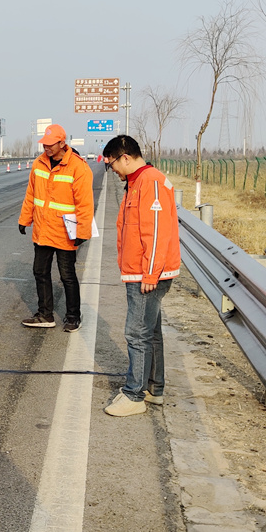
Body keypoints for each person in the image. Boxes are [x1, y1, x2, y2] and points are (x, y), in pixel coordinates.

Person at [102, 135, 180, 416]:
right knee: (151, 333)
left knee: (136, 333)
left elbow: (156, 231)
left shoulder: (151, 182)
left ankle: (134, 395)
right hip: (141, 271)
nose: (111, 170)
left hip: (147, 274)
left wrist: (150, 273)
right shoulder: (136, 183)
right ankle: (153, 389)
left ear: (125, 157)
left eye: (111, 164)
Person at [18, 124, 94, 332]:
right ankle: (45, 314)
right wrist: (24, 219)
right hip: (43, 230)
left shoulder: (78, 167)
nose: (46, 148)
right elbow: (31, 195)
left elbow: (85, 204)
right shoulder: (39, 164)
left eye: (50, 145)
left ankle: (73, 316)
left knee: (67, 275)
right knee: (39, 272)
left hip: (65, 232)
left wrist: (82, 232)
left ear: (62, 143)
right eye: (44, 145)